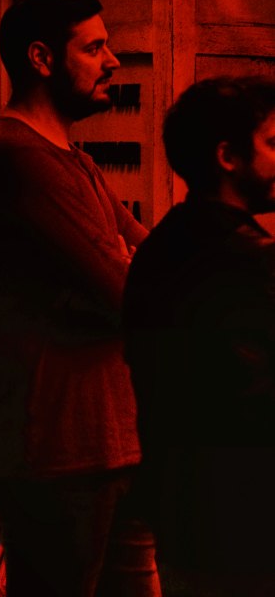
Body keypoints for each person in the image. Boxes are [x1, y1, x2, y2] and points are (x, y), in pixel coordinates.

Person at [0, 0, 156, 597]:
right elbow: (133, 292)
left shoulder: (73, 159)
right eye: (94, 47)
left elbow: (159, 260)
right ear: (42, 58)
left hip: (105, 440)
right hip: (58, 449)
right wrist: (124, 273)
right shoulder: (20, 161)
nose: (113, 61)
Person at [123, 76, 275, 597]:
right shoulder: (247, 259)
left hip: (181, 512)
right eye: (272, 143)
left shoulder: (162, 246)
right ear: (228, 156)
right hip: (248, 518)